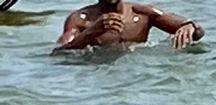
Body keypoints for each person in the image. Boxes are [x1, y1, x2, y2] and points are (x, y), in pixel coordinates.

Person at [53, 1, 202, 51]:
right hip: (96, 75)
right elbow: (60, 53)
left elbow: (197, 32)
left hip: (136, 75)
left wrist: (190, 26)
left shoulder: (142, 14)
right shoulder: (80, 19)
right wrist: (91, 32)